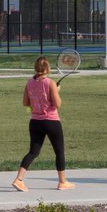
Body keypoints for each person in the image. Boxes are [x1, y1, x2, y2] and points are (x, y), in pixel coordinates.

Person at [11, 56, 75, 192]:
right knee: (59, 151)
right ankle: (62, 182)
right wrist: (56, 91)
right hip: (51, 121)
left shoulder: (29, 83)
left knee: (33, 152)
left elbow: (25, 103)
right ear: (47, 68)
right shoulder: (50, 83)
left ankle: (19, 179)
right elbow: (57, 104)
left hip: (35, 122)